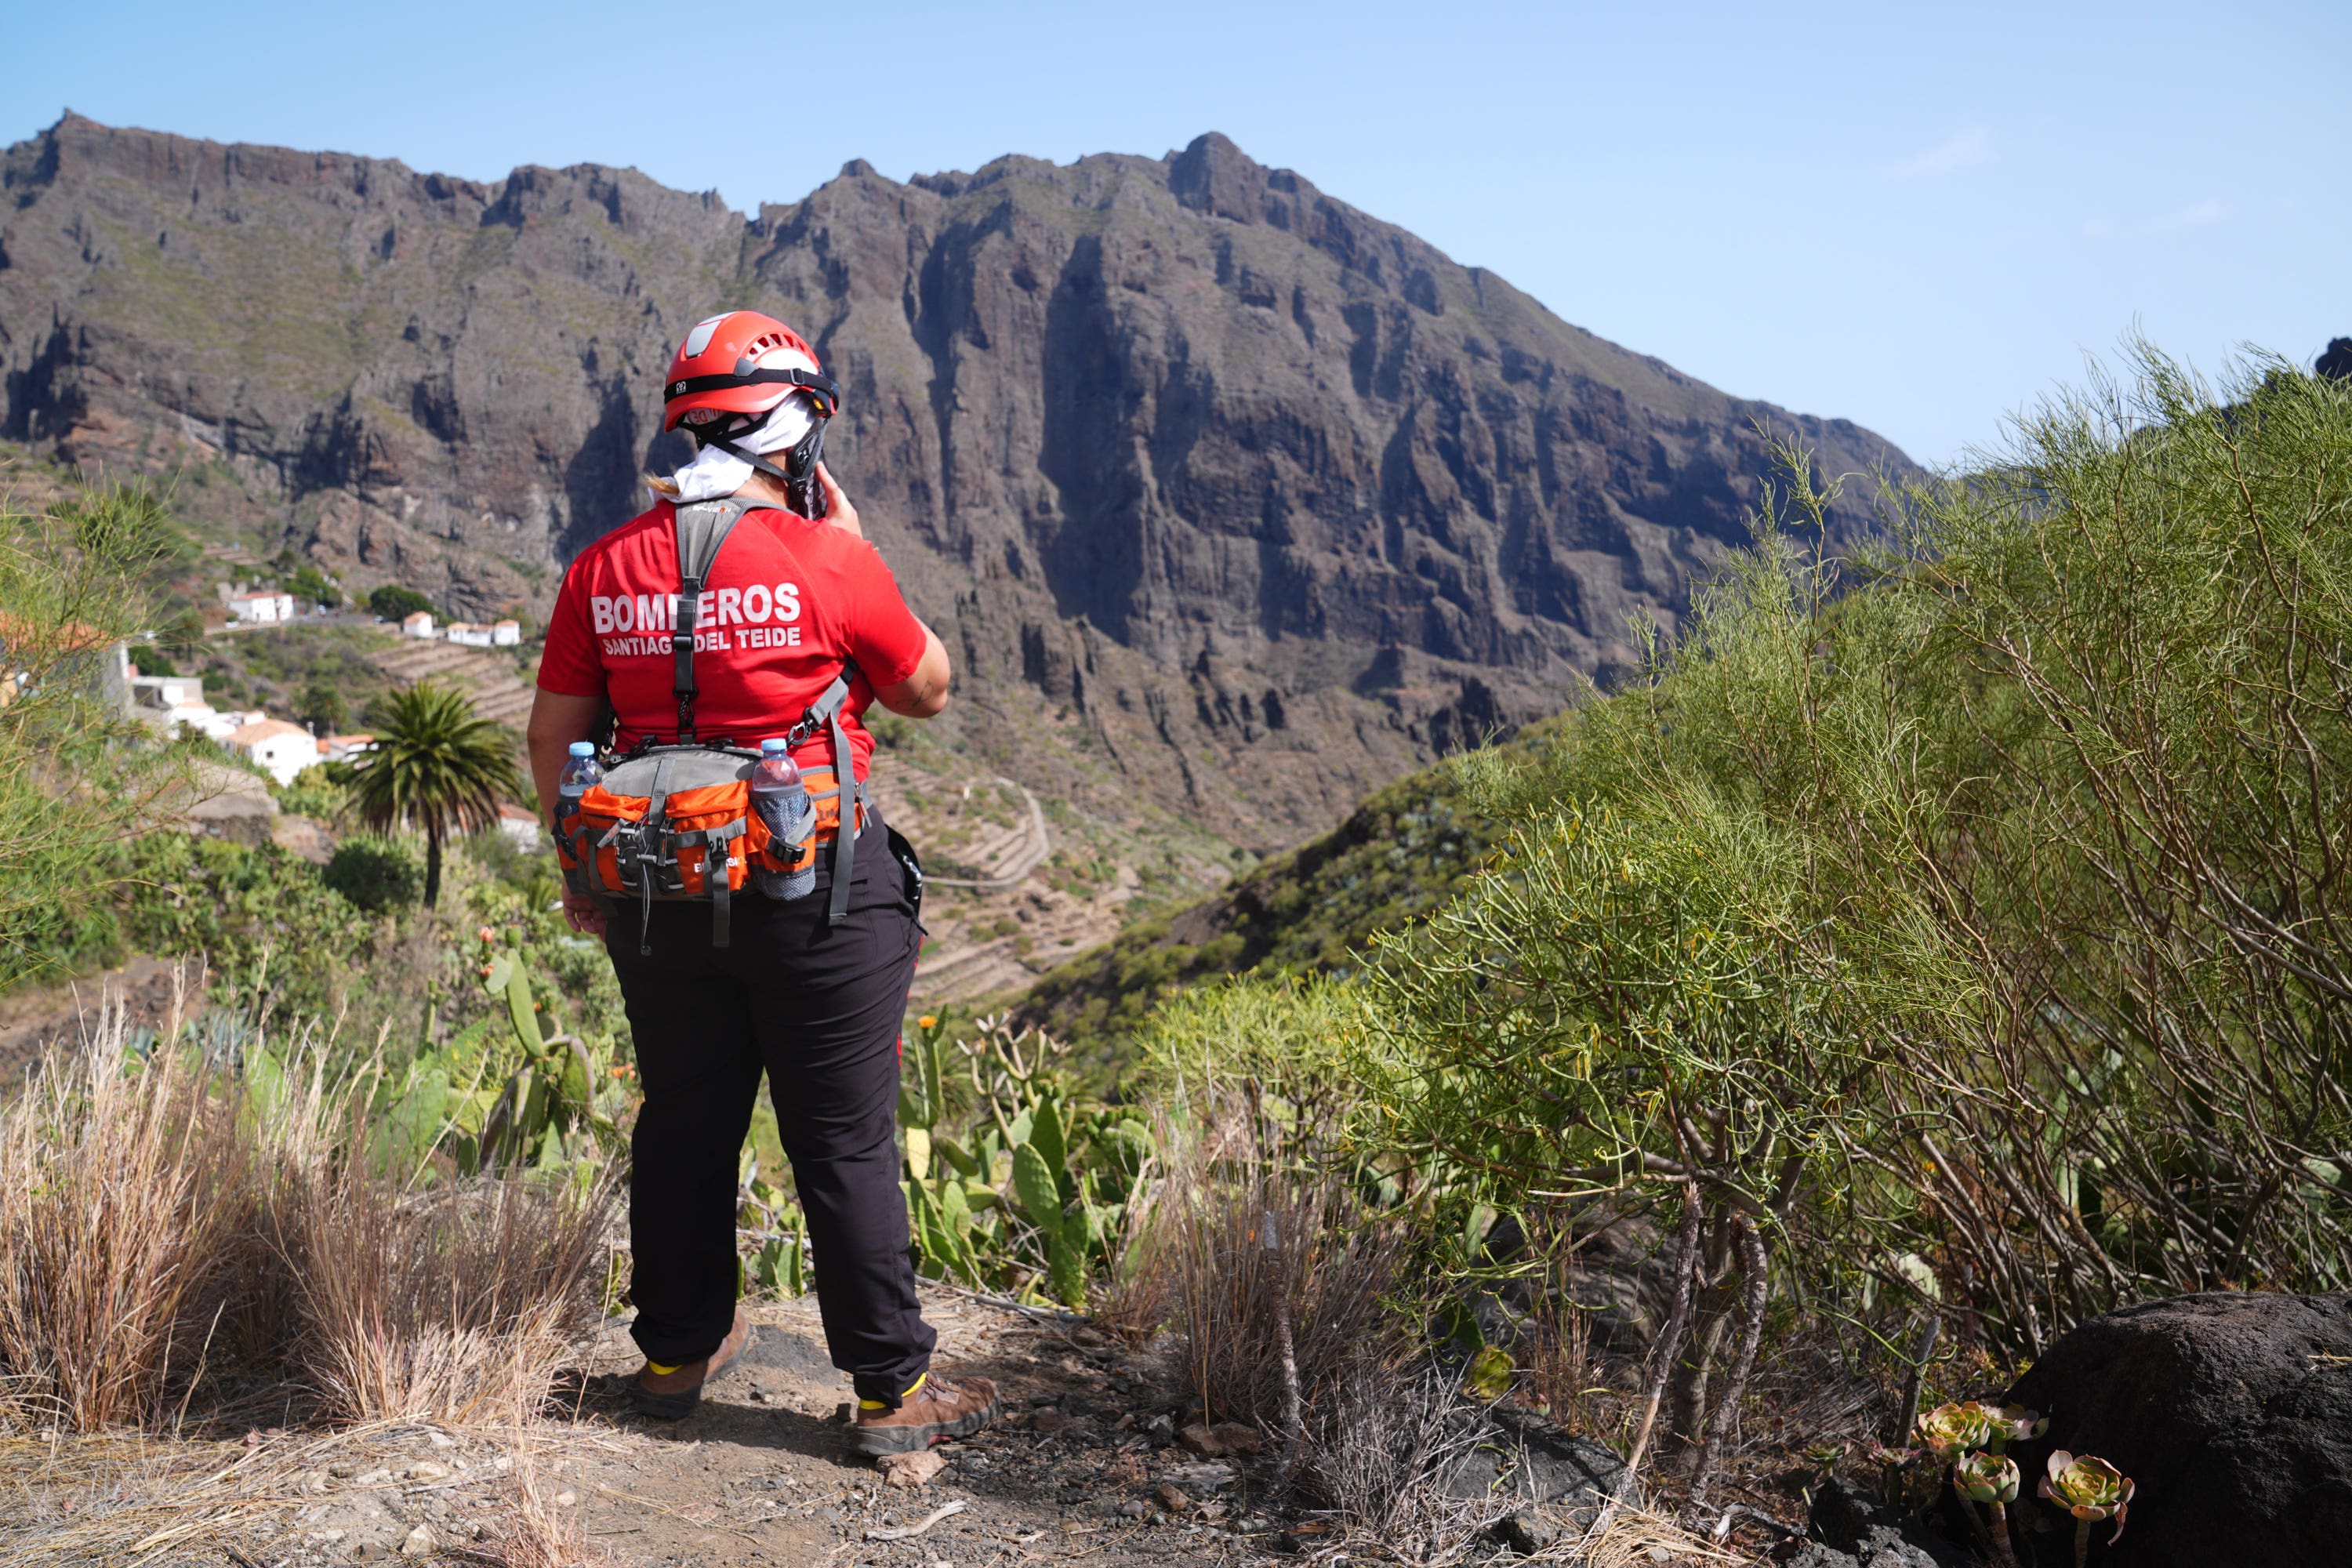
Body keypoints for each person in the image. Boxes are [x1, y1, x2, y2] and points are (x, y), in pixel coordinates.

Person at [524, 310, 997, 1454]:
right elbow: (928, 685)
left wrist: (578, 872)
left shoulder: (602, 568)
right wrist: (859, 548)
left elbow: (553, 739)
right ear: (789, 429)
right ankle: (890, 1394)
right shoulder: (829, 559)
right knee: (842, 1138)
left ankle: (675, 1357)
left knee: (685, 1122)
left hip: (655, 889)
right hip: (817, 895)